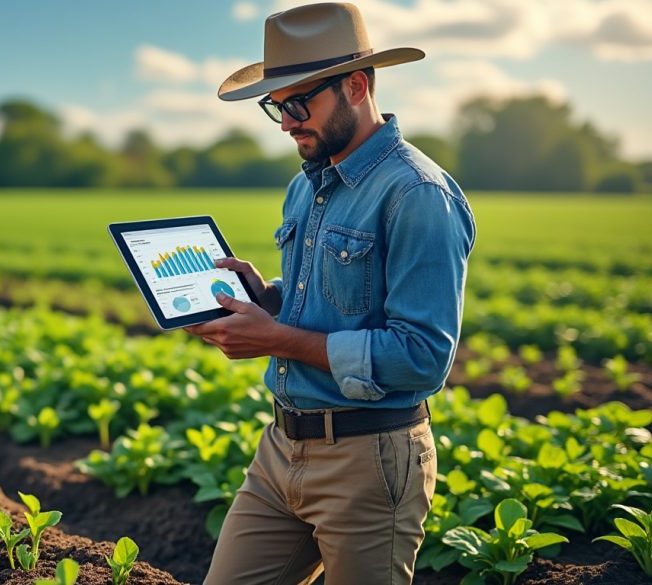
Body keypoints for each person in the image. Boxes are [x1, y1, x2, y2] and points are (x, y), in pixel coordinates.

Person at [183, 3, 476, 584]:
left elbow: (421, 357)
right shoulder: (305, 185)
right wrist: (264, 297)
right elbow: (323, 304)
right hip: (279, 449)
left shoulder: (417, 194)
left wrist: (278, 340)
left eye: (297, 104)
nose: (287, 123)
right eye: (275, 108)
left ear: (357, 85)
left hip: (370, 461)